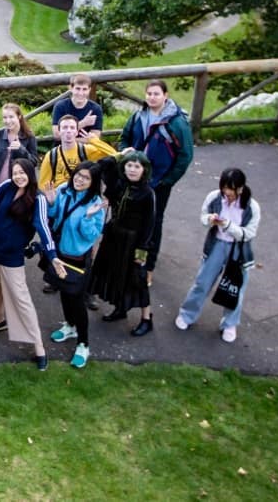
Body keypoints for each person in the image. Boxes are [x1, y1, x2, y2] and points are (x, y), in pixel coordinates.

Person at [0, 160, 56, 370]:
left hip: (12, 255)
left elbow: (43, 227)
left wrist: (53, 255)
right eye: (15, 172)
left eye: (23, 173)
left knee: (21, 298)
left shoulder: (38, 199)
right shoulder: (5, 187)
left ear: (31, 173)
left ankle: (38, 346)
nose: (19, 176)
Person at [174, 168, 260, 343]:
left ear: (240, 189)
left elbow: (249, 233)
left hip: (238, 250)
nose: (227, 195)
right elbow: (203, 217)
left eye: (231, 192)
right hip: (216, 245)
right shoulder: (214, 197)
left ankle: (229, 324)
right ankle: (187, 314)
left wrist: (228, 226)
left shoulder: (252, 206)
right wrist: (210, 220)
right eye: (225, 191)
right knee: (202, 282)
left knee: (235, 289)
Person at [119, 79, 194, 277]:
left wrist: (167, 181)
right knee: (128, 216)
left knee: (152, 222)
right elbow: (125, 138)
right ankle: (127, 257)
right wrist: (124, 152)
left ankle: (147, 264)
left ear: (165, 95)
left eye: (156, 94)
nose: (152, 97)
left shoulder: (176, 123)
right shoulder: (138, 116)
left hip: (158, 181)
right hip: (133, 177)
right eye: (149, 94)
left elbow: (185, 155)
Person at [44, 161, 107, 369]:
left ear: (93, 182)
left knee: (77, 299)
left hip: (78, 258)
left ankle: (83, 343)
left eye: (86, 178)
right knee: (63, 291)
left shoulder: (95, 204)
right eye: (78, 175)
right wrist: (52, 203)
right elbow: (53, 220)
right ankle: (69, 326)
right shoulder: (63, 190)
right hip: (59, 254)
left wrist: (88, 217)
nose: (80, 180)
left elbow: (91, 235)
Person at [87, 152, 157, 336]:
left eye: (137, 166)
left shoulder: (148, 193)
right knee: (116, 274)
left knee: (137, 278)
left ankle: (146, 319)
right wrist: (119, 156)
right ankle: (120, 309)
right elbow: (100, 165)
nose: (132, 170)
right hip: (114, 237)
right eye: (129, 165)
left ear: (144, 170)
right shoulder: (118, 184)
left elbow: (150, 226)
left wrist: (141, 254)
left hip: (135, 242)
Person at [38, 115, 117, 190]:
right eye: (65, 127)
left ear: (76, 132)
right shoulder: (51, 155)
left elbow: (115, 155)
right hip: (60, 196)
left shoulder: (86, 150)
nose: (68, 131)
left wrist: (94, 141)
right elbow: (43, 185)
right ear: (59, 132)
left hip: (82, 194)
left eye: (72, 128)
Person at [0, 103, 39, 197]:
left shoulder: (29, 137)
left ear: (19, 117)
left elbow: (34, 162)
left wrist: (21, 149)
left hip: (17, 186)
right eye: (5, 117)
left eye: (11, 117)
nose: (8, 121)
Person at [50, 73, 103, 139]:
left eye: (84, 89)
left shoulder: (96, 109)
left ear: (89, 90)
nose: (81, 93)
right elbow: (57, 135)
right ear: (71, 88)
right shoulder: (60, 106)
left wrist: (67, 138)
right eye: (78, 89)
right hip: (63, 148)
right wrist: (83, 123)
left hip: (87, 148)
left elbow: (94, 138)